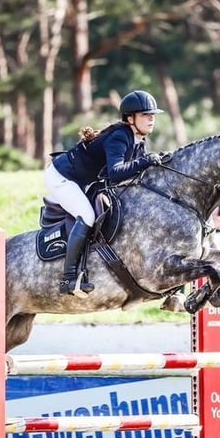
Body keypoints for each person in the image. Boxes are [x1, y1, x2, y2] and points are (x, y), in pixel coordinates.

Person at [44, 90, 164, 297]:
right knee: (87, 216)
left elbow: (135, 172)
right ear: (130, 118)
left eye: (152, 115)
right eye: (146, 114)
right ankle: (69, 278)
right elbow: (116, 173)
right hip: (62, 177)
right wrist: (145, 161)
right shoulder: (119, 137)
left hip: (82, 179)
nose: (151, 118)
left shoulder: (137, 140)